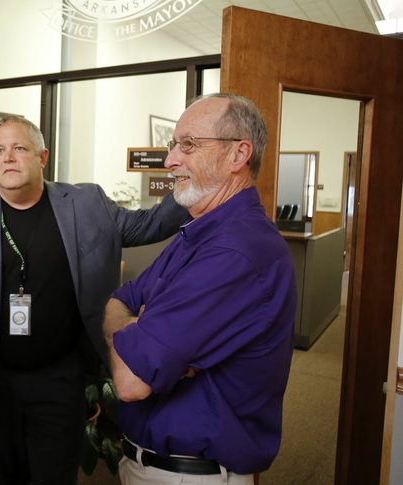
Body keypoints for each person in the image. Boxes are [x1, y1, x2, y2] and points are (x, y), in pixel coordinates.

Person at [0, 115, 189, 484]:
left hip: (58, 379)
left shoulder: (85, 204)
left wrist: (191, 177)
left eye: (19, 148)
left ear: (42, 157)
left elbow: (149, 225)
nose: (8, 158)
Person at [104, 93, 296, 484]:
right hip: (148, 463)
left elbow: (130, 380)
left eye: (188, 144)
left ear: (238, 155)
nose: (171, 160)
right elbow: (119, 299)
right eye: (173, 145)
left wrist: (139, 329)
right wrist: (136, 329)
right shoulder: (200, 232)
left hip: (190, 475)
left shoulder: (238, 251)